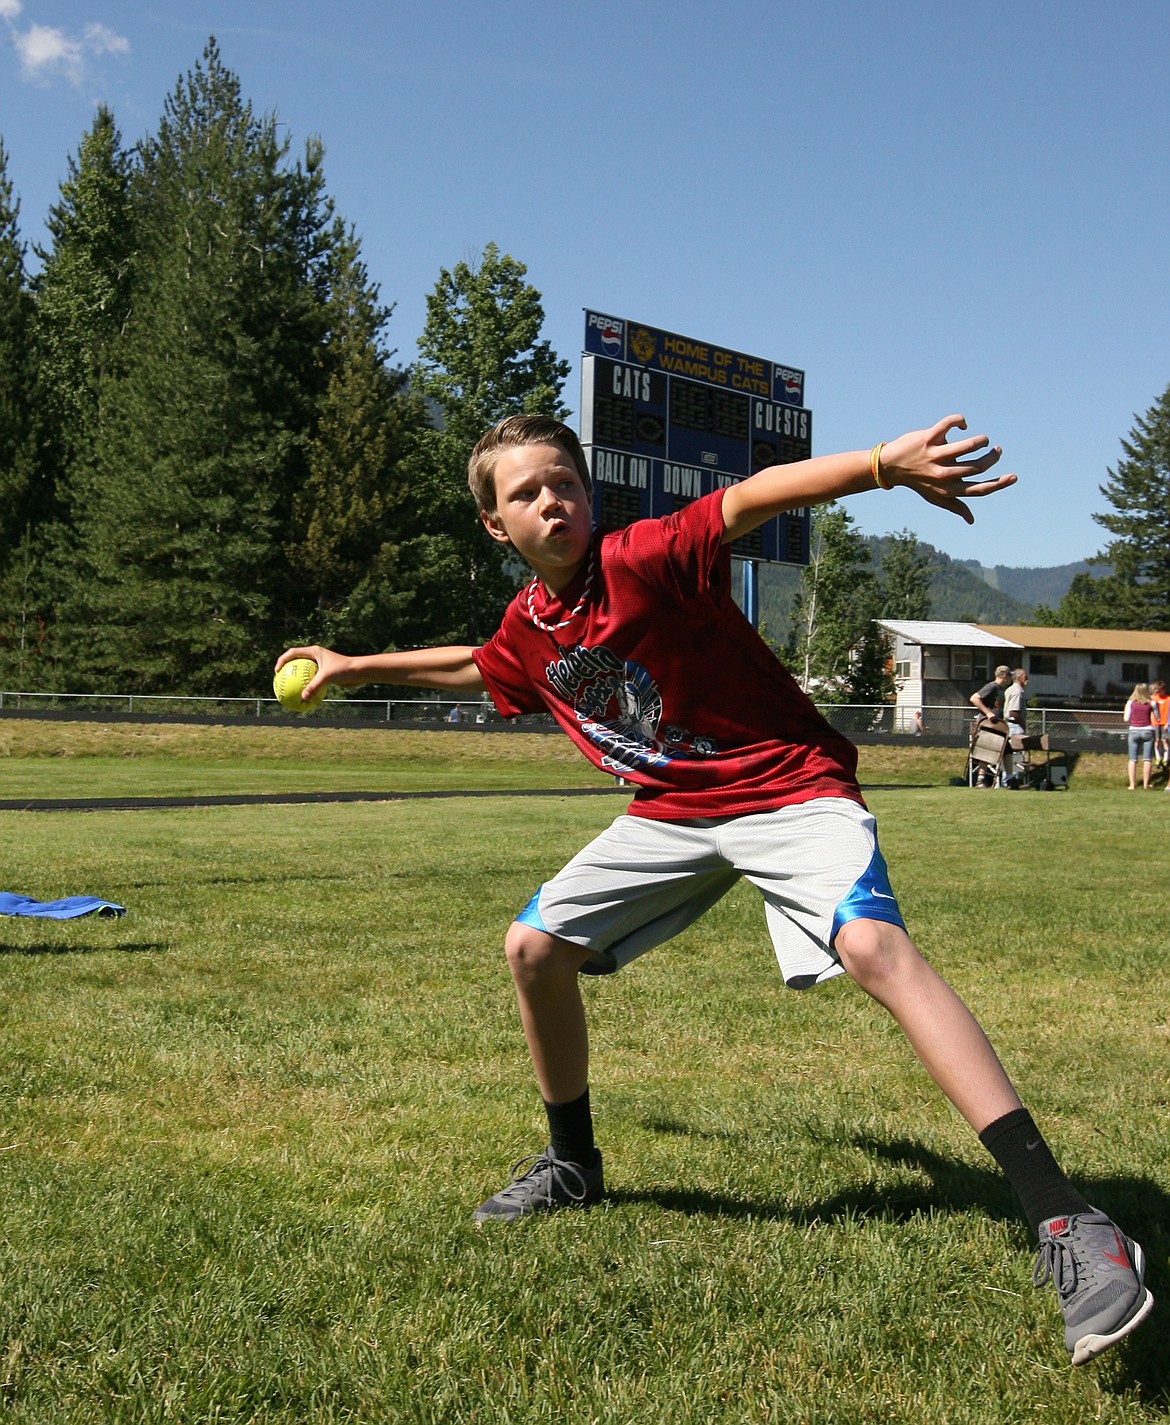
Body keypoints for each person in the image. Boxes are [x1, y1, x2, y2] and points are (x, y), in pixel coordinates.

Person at [276, 413, 1152, 1367]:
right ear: (496, 526)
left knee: (871, 946)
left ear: (588, 492)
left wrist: (881, 468)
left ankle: (1071, 1221)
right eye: (525, 493)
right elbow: (476, 663)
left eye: (563, 481)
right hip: (672, 812)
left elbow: (751, 499)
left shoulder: (644, 557)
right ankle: (573, 1166)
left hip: (788, 786)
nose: (550, 501)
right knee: (531, 948)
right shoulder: (529, 627)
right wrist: (354, 663)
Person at [969, 666, 1012, 787]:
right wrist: (988, 713)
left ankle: (1010, 779)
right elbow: (974, 698)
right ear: (1004, 676)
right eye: (1009, 676)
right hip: (988, 725)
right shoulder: (992, 686)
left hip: (997, 725)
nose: (1010, 678)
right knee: (987, 750)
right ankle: (980, 780)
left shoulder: (1000, 689)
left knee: (1007, 750)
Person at [1123, 683, 1155, 790]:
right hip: (1148, 730)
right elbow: (1157, 717)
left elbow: (1126, 718)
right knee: (1147, 759)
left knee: (1132, 759)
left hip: (1134, 730)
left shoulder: (1130, 702)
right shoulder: (1151, 703)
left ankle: (1132, 784)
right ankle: (1146, 784)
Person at [1002, 668, 1028, 787]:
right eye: (1025, 676)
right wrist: (1023, 724)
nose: (1027, 679)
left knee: (1008, 753)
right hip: (1014, 725)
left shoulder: (1010, 689)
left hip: (1008, 724)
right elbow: (1013, 712)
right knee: (1015, 753)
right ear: (1019, 678)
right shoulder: (1017, 691)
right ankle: (1011, 780)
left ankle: (1008, 779)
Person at [1150, 678, 1169, 773]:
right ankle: (1158, 758)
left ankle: (1166, 759)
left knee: (1165, 741)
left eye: (1159, 689)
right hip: (1156, 722)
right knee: (1157, 741)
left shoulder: (1168, 698)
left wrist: (1167, 723)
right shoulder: (1154, 698)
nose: (1157, 691)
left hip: (1165, 723)